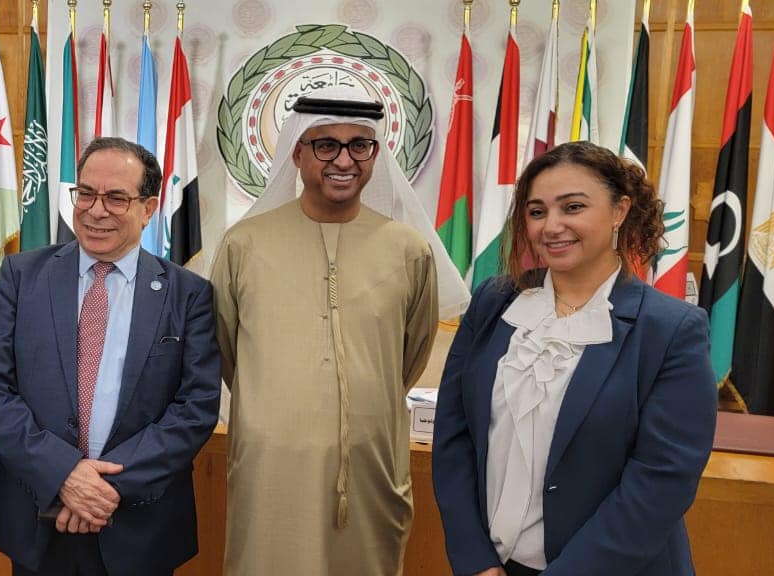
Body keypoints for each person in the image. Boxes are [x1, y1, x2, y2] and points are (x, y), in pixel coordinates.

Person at [209, 86, 470, 575]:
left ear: (375, 154)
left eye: (359, 145)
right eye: (326, 144)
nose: (344, 160)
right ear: (298, 153)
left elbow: (408, 357)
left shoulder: (408, 250)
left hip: (371, 465)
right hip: (271, 467)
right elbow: (226, 349)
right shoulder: (244, 244)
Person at [432, 141, 717, 576]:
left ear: (619, 210)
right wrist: (476, 560)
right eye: (537, 211)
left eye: (573, 207)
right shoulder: (494, 301)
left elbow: (661, 480)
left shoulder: (672, 329)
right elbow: (454, 435)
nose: (552, 226)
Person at [0, 136, 221, 576]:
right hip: (36, 517)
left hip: (140, 525)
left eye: (116, 198)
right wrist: (63, 475)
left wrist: (101, 489)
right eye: (86, 193)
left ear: (148, 208)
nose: (95, 210)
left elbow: (195, 408)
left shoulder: (188, 294)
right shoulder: (21, 276)